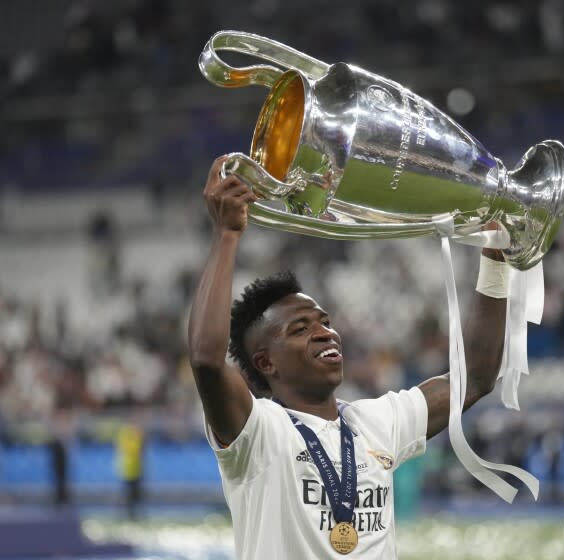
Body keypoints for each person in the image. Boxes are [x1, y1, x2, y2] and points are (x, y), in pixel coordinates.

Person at [188, 156, 509, 559]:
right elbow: (206, 360)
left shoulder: (376, 423)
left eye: (323, 321)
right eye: (301, 329)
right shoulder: (257, 431)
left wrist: (495, 257)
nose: (324, 331)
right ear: (266, 363)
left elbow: (476, 378)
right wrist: (227, 235)